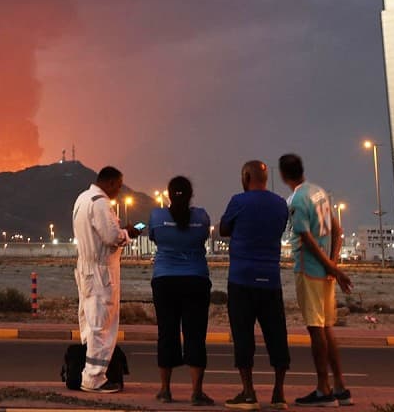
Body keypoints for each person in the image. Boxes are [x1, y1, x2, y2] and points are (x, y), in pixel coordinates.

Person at [280, 153, 353, 407]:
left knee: (315, 329)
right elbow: (338, 230)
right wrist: (333, 266)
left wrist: (331, 266)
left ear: (282, 175)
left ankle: (323, 390)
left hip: (309, 271)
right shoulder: (319, 192)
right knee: (327, 327)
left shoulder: (297, 200)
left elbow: (307, 239)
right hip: (325, 273)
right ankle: (340, 385)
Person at [219, 160, 291, 411]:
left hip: (242, 278)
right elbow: (280, 228)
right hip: (271, 279)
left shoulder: (238, 201)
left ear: (246, 177)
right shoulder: (281, 204)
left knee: (243, 335)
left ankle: (248, 393)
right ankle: (279, 392)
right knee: (277, 334)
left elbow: (223, 229)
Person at [72, 165, 141, 393]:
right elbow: (111, 236)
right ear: (110, 183)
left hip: (86, 269)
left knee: (91, 323)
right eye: (118, 187)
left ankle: (89, 371)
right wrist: (128, 234)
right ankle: (94, 378)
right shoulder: (100, 203)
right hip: (101, 272)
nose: (118, 192)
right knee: (102, 325)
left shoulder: (82, 199)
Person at [148, 175, 214, 406]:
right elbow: (204, 236)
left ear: (168, 194)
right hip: (196, 279)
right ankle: (196, 392)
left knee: (167, 333)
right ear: (190, 194)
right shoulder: (201, 217)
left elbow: (153, 237)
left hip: (164, 280)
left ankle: (165, 390)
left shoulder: (157, 216)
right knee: (195, 334)